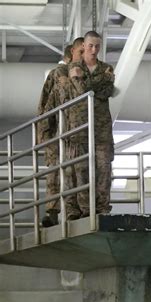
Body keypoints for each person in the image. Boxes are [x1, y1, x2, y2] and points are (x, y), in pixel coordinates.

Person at [67, 31, 115, 217]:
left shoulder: (106, 68)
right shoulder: (74, 66)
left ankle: (102, 208)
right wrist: (95, 85)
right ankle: (86, 210)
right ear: (83, 47)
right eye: (90, 46)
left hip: (101, 128)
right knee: (81, 169)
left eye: (97, 46)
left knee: (104, 167)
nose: (94, 50)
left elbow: (107, 91)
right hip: (79, 127)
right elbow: (81, 93)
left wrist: (82, 81)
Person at [37, 41, 82, 227]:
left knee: (75, 171)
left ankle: (74, 211)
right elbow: (45, 103)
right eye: (81, 51)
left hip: (74, 133)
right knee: (55, 172)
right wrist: (44, 132)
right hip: (56, 131)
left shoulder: (82, 73)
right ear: (72, 52)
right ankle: (53, 211)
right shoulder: (57, 74)